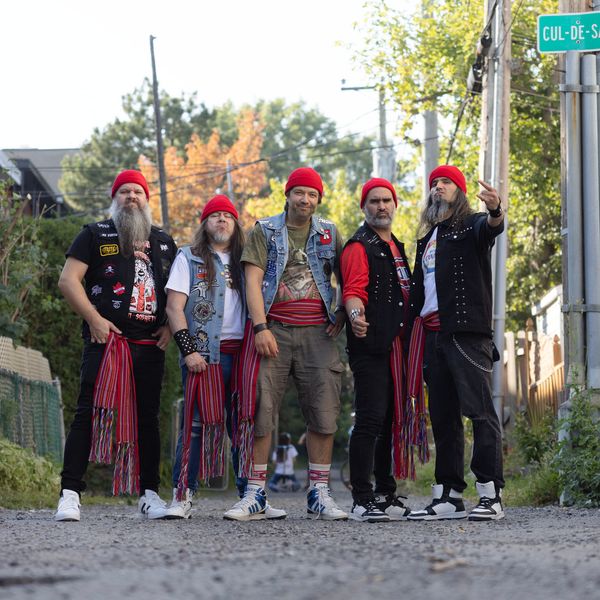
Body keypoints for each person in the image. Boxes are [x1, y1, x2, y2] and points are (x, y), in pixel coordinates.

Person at [223, 167, 348, 521]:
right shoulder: (264, 230)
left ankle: (319, 493)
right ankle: (255, 493)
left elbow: (348, 275)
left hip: (319, 333)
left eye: (312, 194)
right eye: (299, 192)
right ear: (288, 194)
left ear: (318, 199)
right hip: (273, 329)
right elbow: (252, 280)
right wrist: (260, 326)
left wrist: (342, 310)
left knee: (323, 409)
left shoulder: (329, 233)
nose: (305, 199)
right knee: (260, 409)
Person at [54, 170, 177, 521]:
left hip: (149, 345)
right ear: (114, 198)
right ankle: (69, 495)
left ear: (147, 200)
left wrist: (170, 325)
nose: (131, 197)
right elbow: (68, 280)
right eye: (124, 191)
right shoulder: (95, 234)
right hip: (106, 342)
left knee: (148, 419)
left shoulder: (164, 242)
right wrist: (94, 318)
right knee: (88, 413)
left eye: (138, 191)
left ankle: (149, 495)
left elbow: (177, 291)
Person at [163, 195, 284, 520]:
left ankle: (251, 496)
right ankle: (182, 495)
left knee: (244, 426)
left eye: (227, 215)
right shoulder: (188, 257)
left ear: (235, 223)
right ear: (205, 223)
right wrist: (188, 350)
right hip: (204, 357)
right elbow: (174, 308)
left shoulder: (247, 259)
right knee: (194, 426)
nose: (221, 220)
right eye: (214, 215)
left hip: (244, 355)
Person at [406, 165, 506, 521]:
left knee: (480, 413)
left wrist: (495, 209)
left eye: (446, 182)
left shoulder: (472, 225)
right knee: (444, 418)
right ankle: (448, 496)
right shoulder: (428, 239)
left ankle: (490, 494)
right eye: (434, 183)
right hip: (433, 336)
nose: (438, 187)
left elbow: (492, 228)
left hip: (465, 335)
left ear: (459, 191)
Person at [341, 177, 427, 522]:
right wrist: (356, 317)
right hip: (372, 346)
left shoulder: (396, 246)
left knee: (390, 421)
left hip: (398, 349)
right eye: (374, 201)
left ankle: (385, 493)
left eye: (386, 200)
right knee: (370, 421)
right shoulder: (358, 246)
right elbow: (353, 290)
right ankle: (361, 499)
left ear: (394, 205)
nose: (381, 206)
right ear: (364, 207)